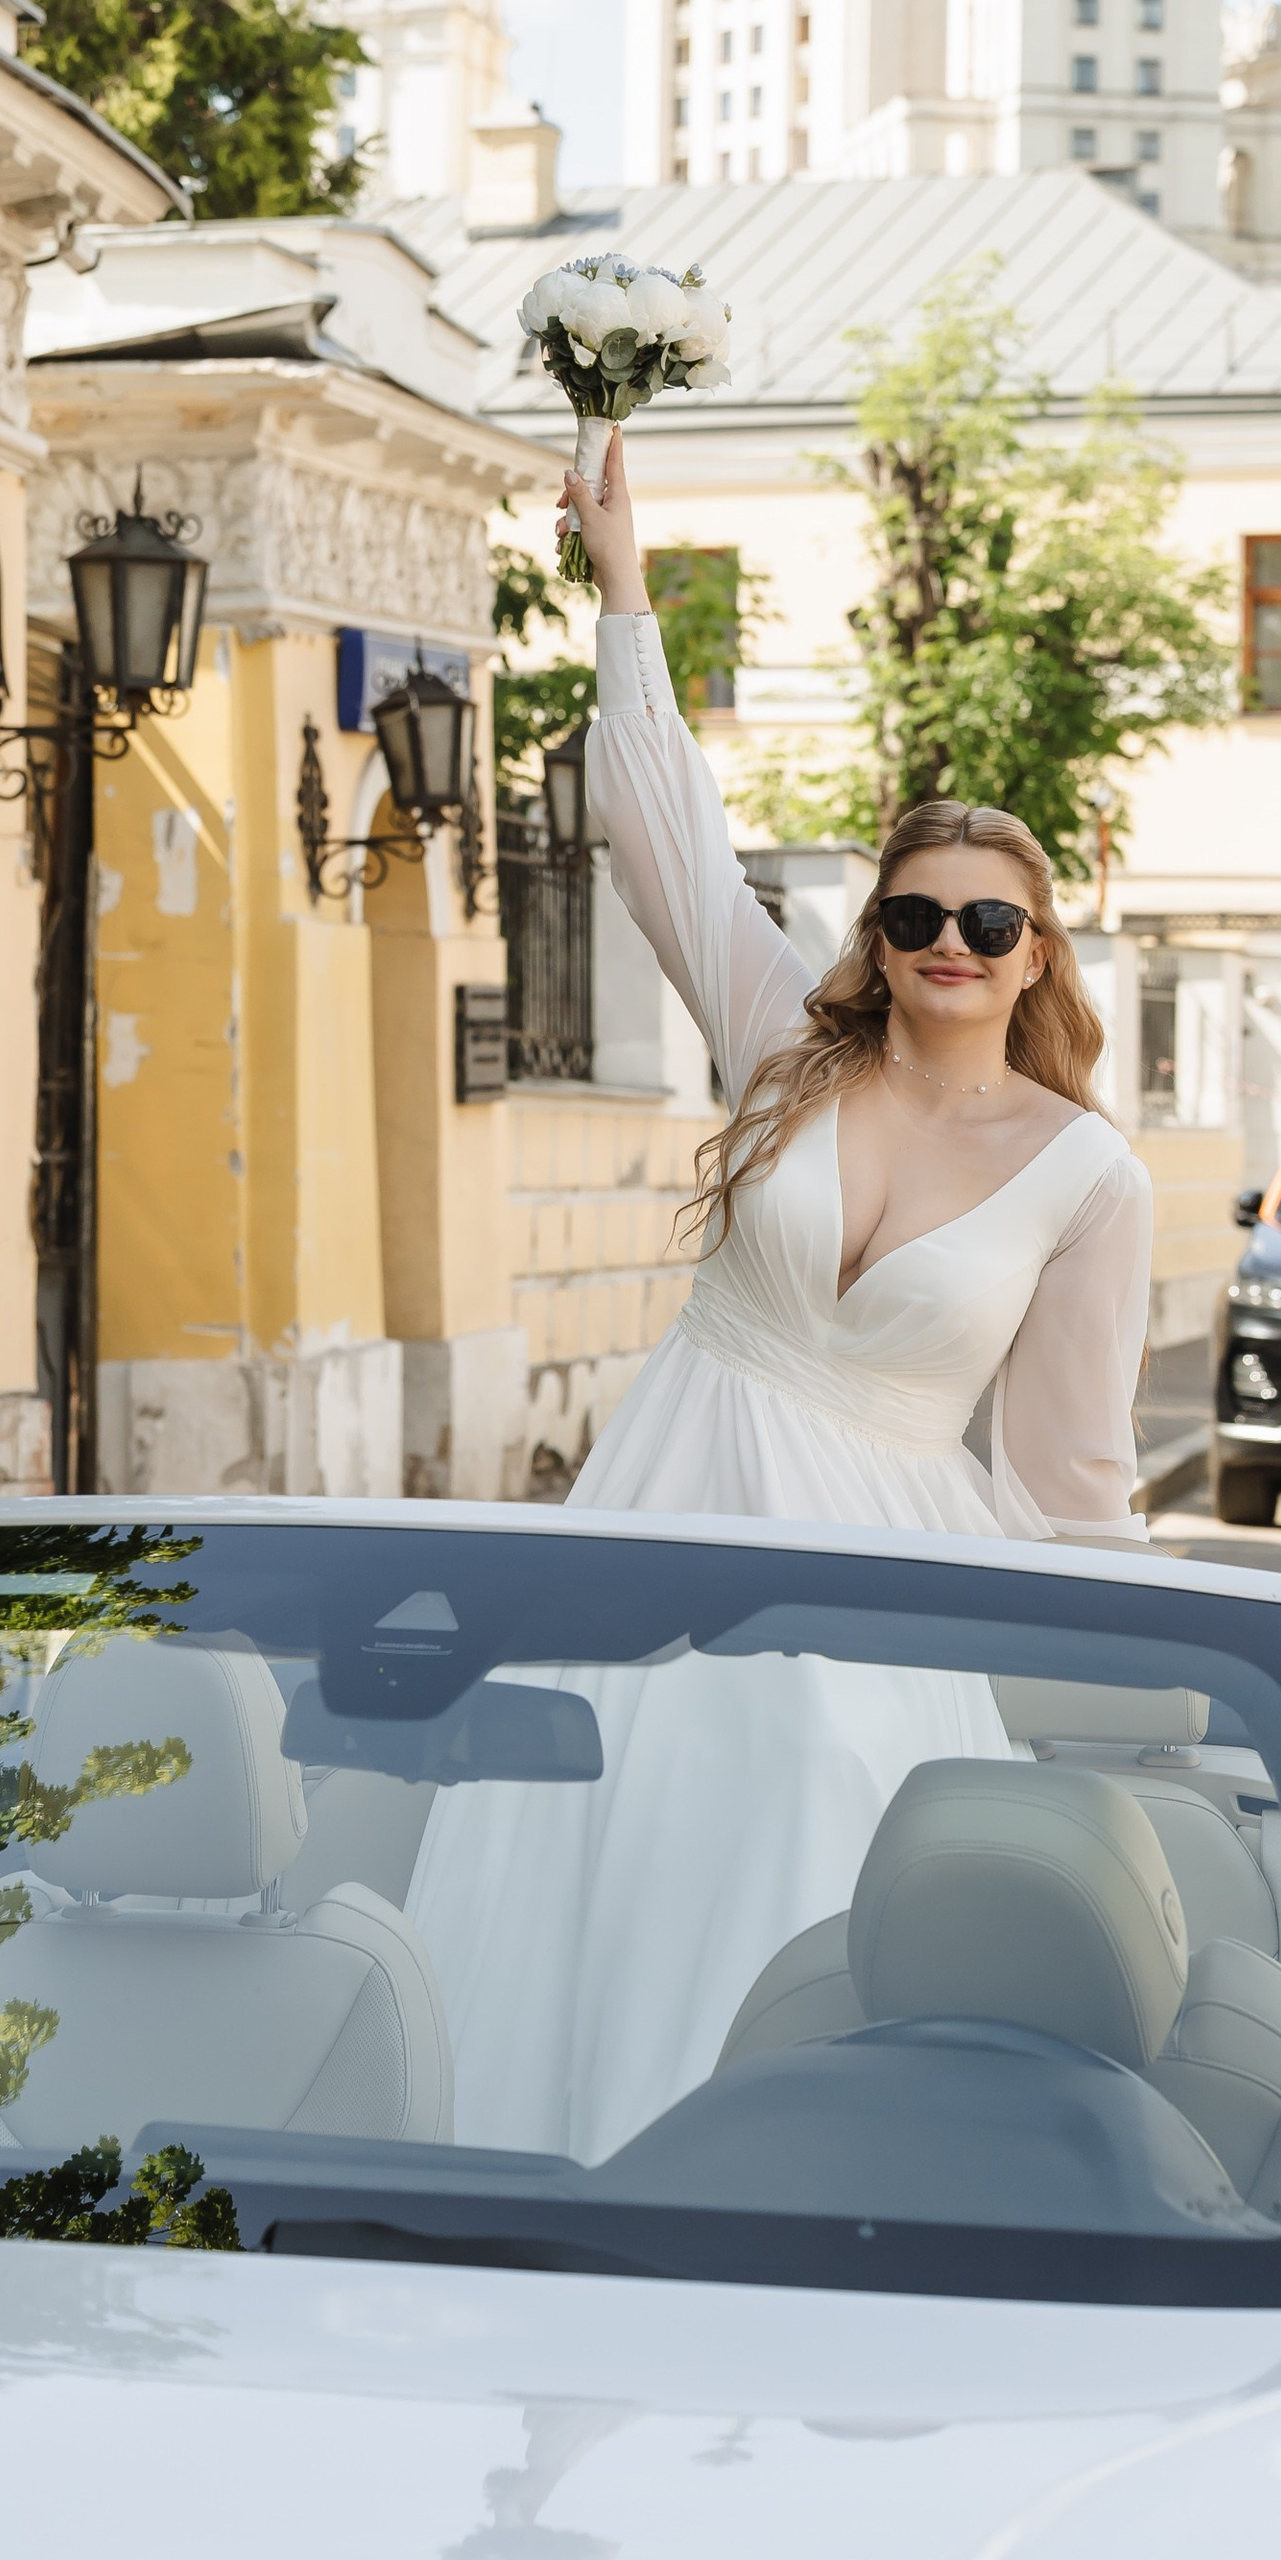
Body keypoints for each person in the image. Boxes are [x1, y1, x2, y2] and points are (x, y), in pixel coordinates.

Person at [405, 430, 1154, 2158]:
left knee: (805, 1854)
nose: (950, 943)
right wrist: (617, 592)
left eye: (988, 918)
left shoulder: (1087, 1178)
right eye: (915, 914)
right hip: (663, 1514)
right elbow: (667, 837)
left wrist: (1119, 1702)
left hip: (882, 1588)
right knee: (576, 1848)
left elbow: (1071, 1484)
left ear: (1039, 951)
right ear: (876, 934)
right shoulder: (782, 1055)